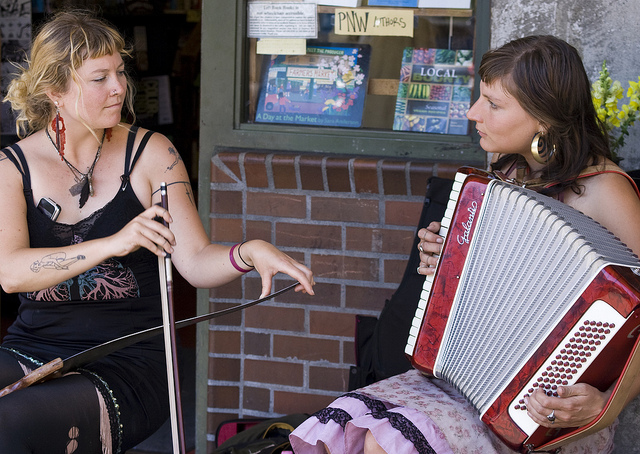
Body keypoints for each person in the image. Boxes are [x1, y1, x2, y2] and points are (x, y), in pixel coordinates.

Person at [289, 35, 640, 454]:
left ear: (543, 120)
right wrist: (445, 261)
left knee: (384, 444)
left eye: (493, 104)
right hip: (469, 381)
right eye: (479, 97)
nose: (473, 113)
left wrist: (607, 404)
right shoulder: (506, 170)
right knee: (344, 432)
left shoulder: (605, 191)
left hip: (548, 409)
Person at [0, 10, 314, 454]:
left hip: (128, 361)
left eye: (120, 72)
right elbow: (10, 273)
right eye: (99, 78)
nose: (119, 87)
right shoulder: (12, 167)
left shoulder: (151, 154)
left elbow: (194, 260)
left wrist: (248, 252)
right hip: (34, 346)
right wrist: (114, 242)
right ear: (55, 91)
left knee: (8, 425)